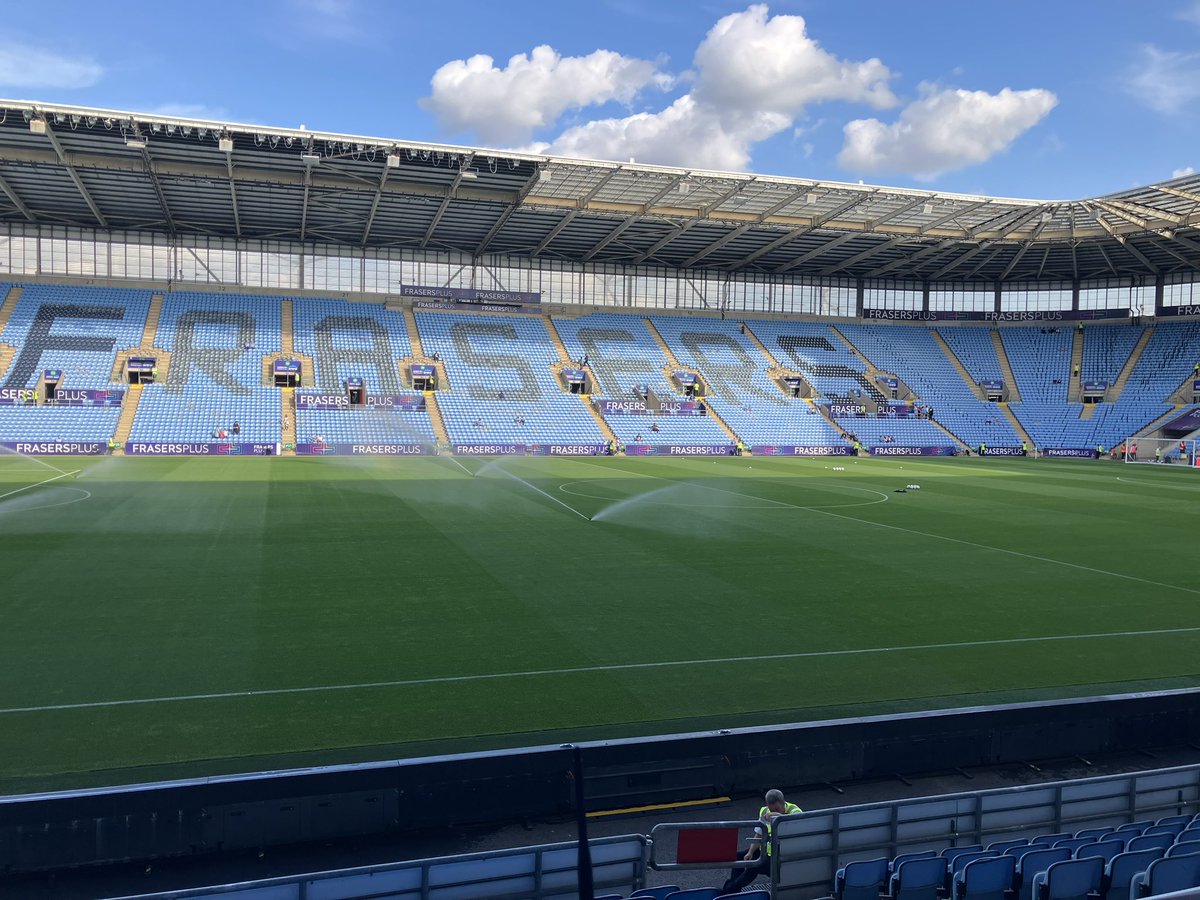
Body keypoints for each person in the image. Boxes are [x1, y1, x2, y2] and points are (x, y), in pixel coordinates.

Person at [720, 789, 802, 894]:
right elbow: (759, 834)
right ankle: (734, 890)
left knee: (754, 867)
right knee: (739, 857)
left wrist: (776, 815)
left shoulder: (795, 811)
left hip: (780, 858)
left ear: (783, 802)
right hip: (766, 851)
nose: (772, 812)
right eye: (771, 810)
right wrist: (750, 852)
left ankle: (726, 891)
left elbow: (794, 820)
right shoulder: (764, 811)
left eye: (776, 809)